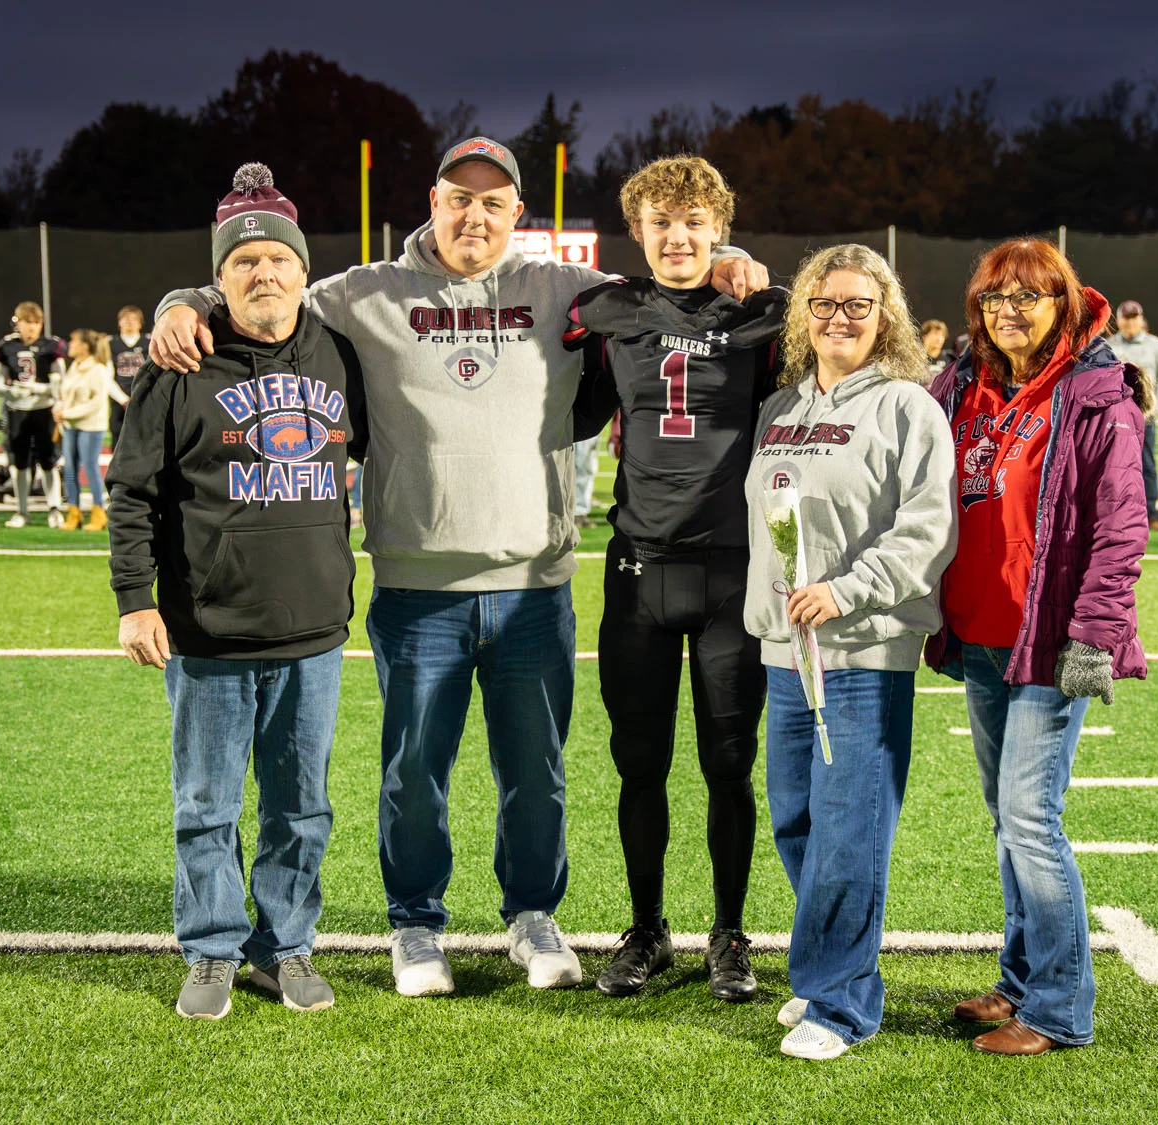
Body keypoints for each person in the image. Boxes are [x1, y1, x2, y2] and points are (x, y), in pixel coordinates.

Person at [148, 137, 769, 998]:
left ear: (518, 213)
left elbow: (675, 282)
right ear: (431, 203)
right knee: (414, 774)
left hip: (531, 584)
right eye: (457, 198)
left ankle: (531, 914)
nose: (474, 215)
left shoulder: (563, 290)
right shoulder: (362, 293)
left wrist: (730, 256)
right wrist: (186, 298)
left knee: (537, 774)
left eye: (493, 202)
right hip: (417, 587)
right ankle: (414, 922)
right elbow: (267, 290)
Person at [108, 163, 367, 1020]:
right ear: (219, 279)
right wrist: (133, 598)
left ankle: (284, 946)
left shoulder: (338, 351)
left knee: (302, 809)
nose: (264, 273)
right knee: (206, 806)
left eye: (277, 259)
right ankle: (212, 947)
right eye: (243, 261)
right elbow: (132, 491)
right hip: (209, 633)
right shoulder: (179, 361)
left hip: (314, 634)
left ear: (303, 269)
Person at [565, 156, 786, 1002]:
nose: (678, 235)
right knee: (639, 763)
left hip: (733, 571)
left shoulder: (762, 312)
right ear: (640, 231)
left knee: (730, 763)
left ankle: (728, 932)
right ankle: (648, 927)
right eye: (661, 221)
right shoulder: (611, 310)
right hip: (639, 571)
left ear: (718, 224)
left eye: (694, 220)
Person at [925, 238, 1148, 1056]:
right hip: (982, 637)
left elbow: (1121, 528)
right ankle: (1020, 978)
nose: (1008, 312)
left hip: (1047, 642)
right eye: (994, 298)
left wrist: (1094, 634)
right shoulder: (960, 386)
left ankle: (1059, 1006)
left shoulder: (1093, 394)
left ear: (1062, 304)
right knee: (1006, 819)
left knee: (1030, 816)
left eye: (1028, 297)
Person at [744, 244, 957, 1060]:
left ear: (886, 317)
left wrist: (847, 590)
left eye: (857, 306)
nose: (839, 318)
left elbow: (927, 528)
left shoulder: (908, 406)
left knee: (848, 827)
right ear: (804, 314)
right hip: (784, 648)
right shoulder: (782, 410)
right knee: (797, 819)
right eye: (825, 304)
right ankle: (832, 967)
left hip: (862, 649)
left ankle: (841, 1001)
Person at [0, 301, 66, 528]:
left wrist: (41, 388)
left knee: (49, 462)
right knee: (20, 463)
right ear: (18, 323)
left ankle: (54, 508)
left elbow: (62, 383)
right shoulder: (7, 347)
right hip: (17, 411)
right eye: (28, 323)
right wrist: (11, 390)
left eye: (36, 323)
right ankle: (21, 510)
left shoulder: (51, 347)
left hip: (43, 411)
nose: (33, 328)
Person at [1107, 300, 1158, 530]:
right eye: (1126, 318)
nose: (1130, 322)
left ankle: (1151, 512)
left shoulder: (1155, 345)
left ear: (1141, 319)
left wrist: (1153, 409)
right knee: (1114, 466)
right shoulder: (1109, 346)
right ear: (1119, 320)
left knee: (1147, 464)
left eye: (1134, 318)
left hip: (1145, 417)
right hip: (1116, 418)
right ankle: (1117, 512)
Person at [54, 329, 113, 530]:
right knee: (70, 470)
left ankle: (99, 514)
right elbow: (66, 394)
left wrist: (67, 414)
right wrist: (59, 408)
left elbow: (96, 404)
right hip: (71, 426)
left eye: (73, 341)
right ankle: (74, 514)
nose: (69, 345)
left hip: (90, 427)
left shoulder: (97, 369)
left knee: (90, 468)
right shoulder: (75, 367)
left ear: (85, 346)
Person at [107, 305, 147, 450]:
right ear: (119, 322)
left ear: (140, 323)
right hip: (119, 399)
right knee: (118, 439)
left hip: (144, 397)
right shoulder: (110, 344)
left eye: (134, 319)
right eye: (126, 319)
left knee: (146, 438)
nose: (130, 322)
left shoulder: (149, 342)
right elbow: (106, 377)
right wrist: (123, 399)